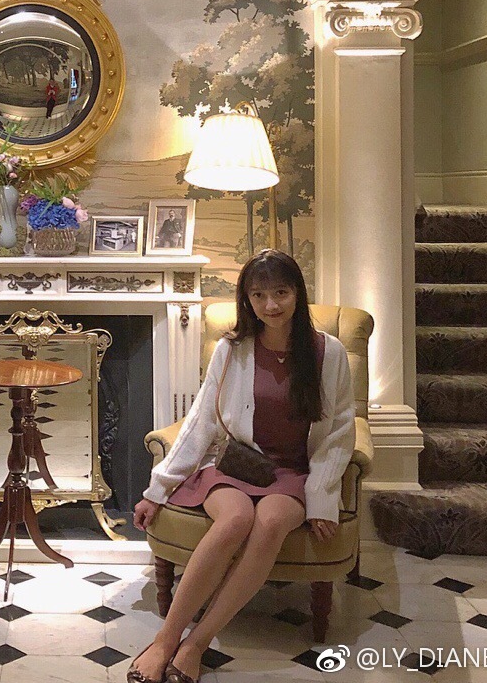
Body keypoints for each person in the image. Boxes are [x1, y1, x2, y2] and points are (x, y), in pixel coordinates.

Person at [129, 250, 355, 683]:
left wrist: (322, 497)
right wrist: (157, 489)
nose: (271, 304)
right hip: (237, 465)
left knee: (269, 523)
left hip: (293, 473)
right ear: (247, 300)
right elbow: (200, 421)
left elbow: (340, 431)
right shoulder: (232, 349)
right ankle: (164, 641)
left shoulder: (329, 353)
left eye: (281, 292)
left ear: (298, 293)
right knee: (235, 519)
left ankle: (195, 645)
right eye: (259, 295)